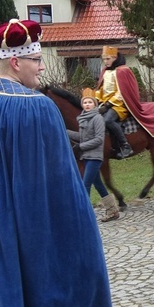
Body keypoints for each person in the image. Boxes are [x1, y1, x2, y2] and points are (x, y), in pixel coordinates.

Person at [0, 19, 115, 307]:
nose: (41, 68)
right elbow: (63, 197)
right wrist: (85, 250)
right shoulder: (37, 109)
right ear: (15, 61)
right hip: (24, 250)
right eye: (36, 60)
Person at [95, 46, 154, 159]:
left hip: (119, 105)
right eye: (104, 59)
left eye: (108, 59)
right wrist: (96, 100)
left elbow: (122, 92)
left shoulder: (123, 71)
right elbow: (100, 89)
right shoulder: (105, 71)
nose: (105, 62)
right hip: (105, 103)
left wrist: (108, 105)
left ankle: (126, 146)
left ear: (115, 58)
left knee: (108, 120)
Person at [68, 88, 120, 222]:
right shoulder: (83, 119)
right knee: (98, 185)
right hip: (86, 156)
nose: (87, 105)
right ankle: (113, 211)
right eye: (85, 102)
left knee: (85, 184)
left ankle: (84, 215)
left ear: (95, 104)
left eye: (90, 102)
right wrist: (64, 131)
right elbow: (82, 137)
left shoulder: (97, 118)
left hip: (95, 157)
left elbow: (99, 139)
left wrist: (81, 146)